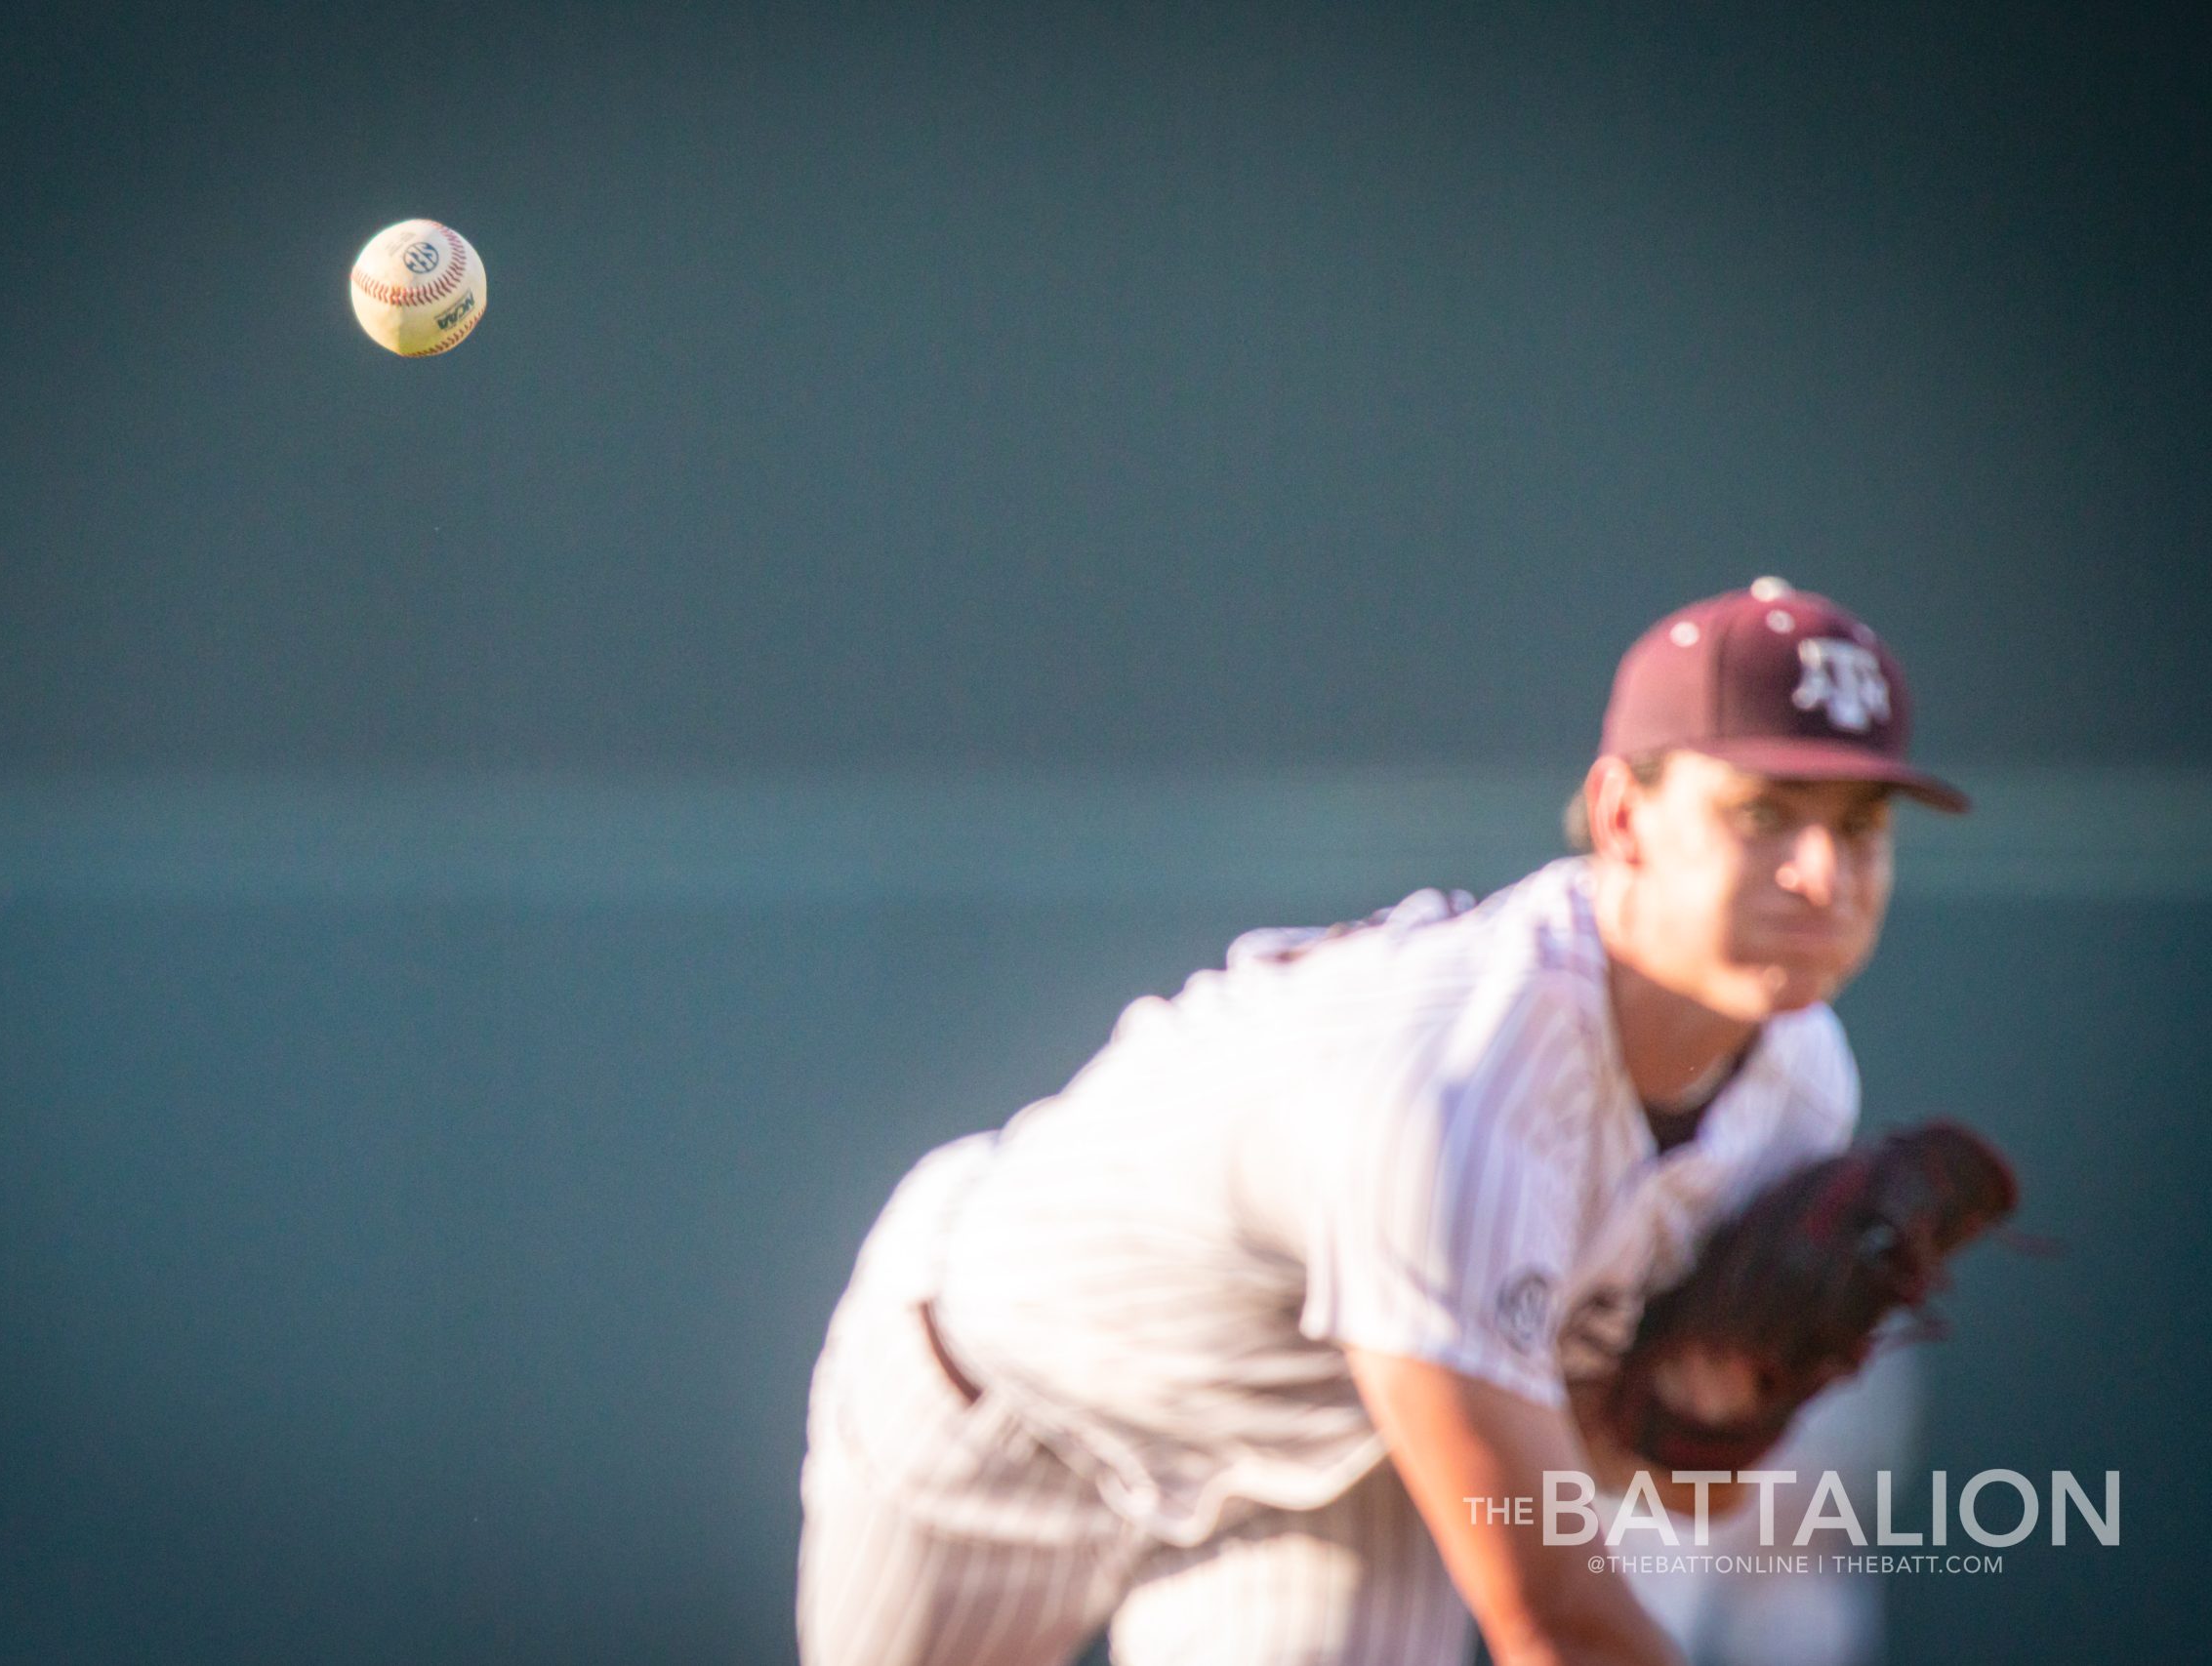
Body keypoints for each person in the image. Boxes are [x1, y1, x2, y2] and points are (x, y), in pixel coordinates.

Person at [797, 579, 1968, 1666]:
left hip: (1332, 1472)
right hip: (1009, 1401)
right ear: (1621, 816)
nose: (1824, 873)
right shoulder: (1452, 1084)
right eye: (1765, 814)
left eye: (1862, 827)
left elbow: (1653, 1489)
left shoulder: (1799, 1087)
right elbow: (1549, 1616)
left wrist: (1699, 1433)